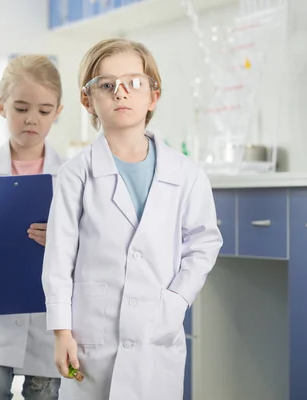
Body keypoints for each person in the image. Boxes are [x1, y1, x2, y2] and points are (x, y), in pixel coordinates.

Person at [41, 38, 223, 399]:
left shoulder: (186, 174)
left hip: (157, 332)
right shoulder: (76, 173)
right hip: (92, 335)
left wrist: (177, 299)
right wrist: (61, 330)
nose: (120, 92)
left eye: (134, 83)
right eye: (106, 85)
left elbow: (204, 243)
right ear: (87, 99)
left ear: (153, 96)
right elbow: (59, 257)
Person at [0, 54, 66, 400]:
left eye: (44, 111)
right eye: (21, 108)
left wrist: (63, 238)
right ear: (0, 106)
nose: (32, 119)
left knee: (44, 393)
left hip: (48, 317)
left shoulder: (71, 176)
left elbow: (92, 240)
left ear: (58, 113)